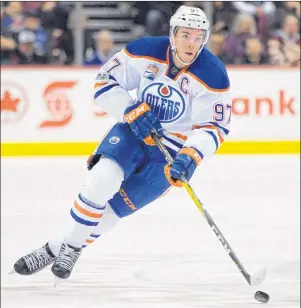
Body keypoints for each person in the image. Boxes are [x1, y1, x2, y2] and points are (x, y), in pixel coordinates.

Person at [13, 5, 232, 280]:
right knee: (100, 182)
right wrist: (130, 109)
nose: (192, 43)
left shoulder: (213, 73)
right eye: (186, 35)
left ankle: (52, 249)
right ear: (173, 33)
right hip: (133, 131)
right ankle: (70, 249)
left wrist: (191, 155)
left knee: (112, 213)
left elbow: (214, 127)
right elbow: (104, 82)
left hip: (171, 151)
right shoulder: (145, 49)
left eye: (199, 37)